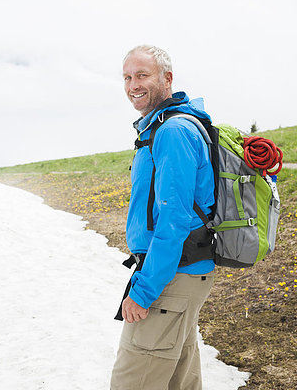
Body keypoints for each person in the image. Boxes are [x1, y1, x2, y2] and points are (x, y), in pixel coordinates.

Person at [110, 45, 215, 390]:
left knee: (133, 380)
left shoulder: (172, 132)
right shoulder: (164, 127)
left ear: (167, 78)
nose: (132, 85)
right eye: (127, 77)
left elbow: (174, 220)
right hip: (183, 274)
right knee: (179, 380)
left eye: (142, 75)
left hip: (170, 277)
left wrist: (144, 291)